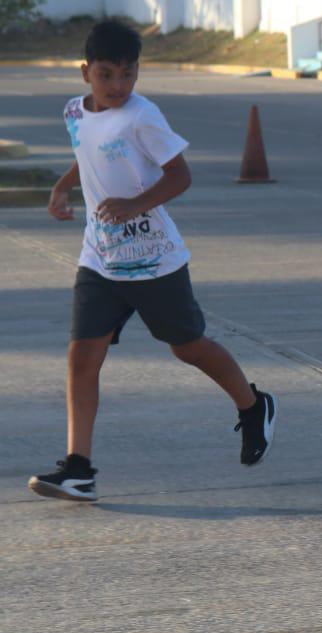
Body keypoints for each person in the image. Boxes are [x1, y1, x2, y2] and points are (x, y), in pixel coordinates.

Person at [28, 20, 276, 503]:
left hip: (153, 261)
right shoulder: (74, 113)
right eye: (106, 75)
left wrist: (132, 205)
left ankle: (253, 405)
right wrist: (62, 187)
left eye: (127, 74)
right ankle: (79, 469)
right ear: (85, 73)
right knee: (82, 357)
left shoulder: (143, 116)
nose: (118, 86)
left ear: (138, 72)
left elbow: (179, 176)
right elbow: (90, 151)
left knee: (188, 347)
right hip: (99, 259)